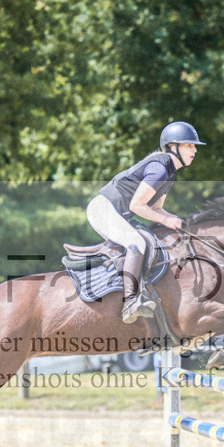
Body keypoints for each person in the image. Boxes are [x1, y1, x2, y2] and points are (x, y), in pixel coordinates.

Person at [86, 121, 205, 323]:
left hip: (114, 212)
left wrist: (177, 220)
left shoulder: (169, 173)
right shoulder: (159, 169)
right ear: (172, 147)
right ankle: (130, 303)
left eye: (194, 146)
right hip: (102, 210)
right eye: (189, 145)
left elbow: (156, 208)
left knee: (148, 242)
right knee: (137, 243)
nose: (194, 150)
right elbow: (137, 206)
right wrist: (166, 220)